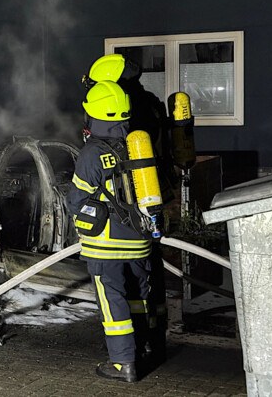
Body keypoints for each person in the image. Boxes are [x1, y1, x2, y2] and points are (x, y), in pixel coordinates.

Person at [84, 53, 169, 367]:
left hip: (123, 218)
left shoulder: (128, 115)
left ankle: (128, 357)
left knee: (121, 291)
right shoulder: (148, 105)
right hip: (149, 209)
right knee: (145, 284)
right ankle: (151, 344)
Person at [69, 80, 151, 383]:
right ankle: (142, 348)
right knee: (138, 297)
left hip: (107, 243)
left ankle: (122, 362)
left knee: (112, 299)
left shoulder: (92, 153)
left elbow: (76, 200)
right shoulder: (136, 144)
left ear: (93, 114)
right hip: (140, 239)